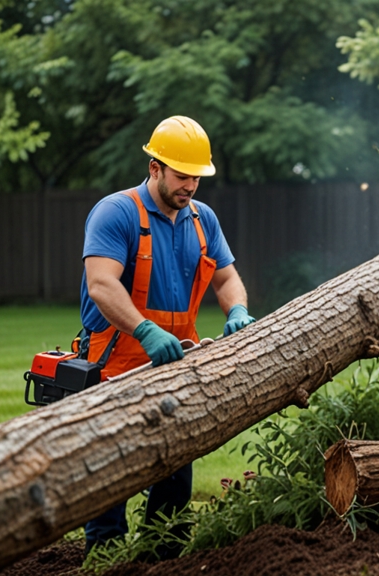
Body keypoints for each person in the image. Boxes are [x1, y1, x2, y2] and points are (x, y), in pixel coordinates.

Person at [78, 115, 255, 557]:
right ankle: (105, 559)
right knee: (110, 475)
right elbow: (101, 284)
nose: (190, 186)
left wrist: (238, 309)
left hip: (179, 365)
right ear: (155, 168)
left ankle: (163, 560)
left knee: (174, 477)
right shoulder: (116, 212)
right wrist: (144, 330)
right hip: (115, 365)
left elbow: (228, 278)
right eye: (182, 176)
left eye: (196, 177)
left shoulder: (202, 219)